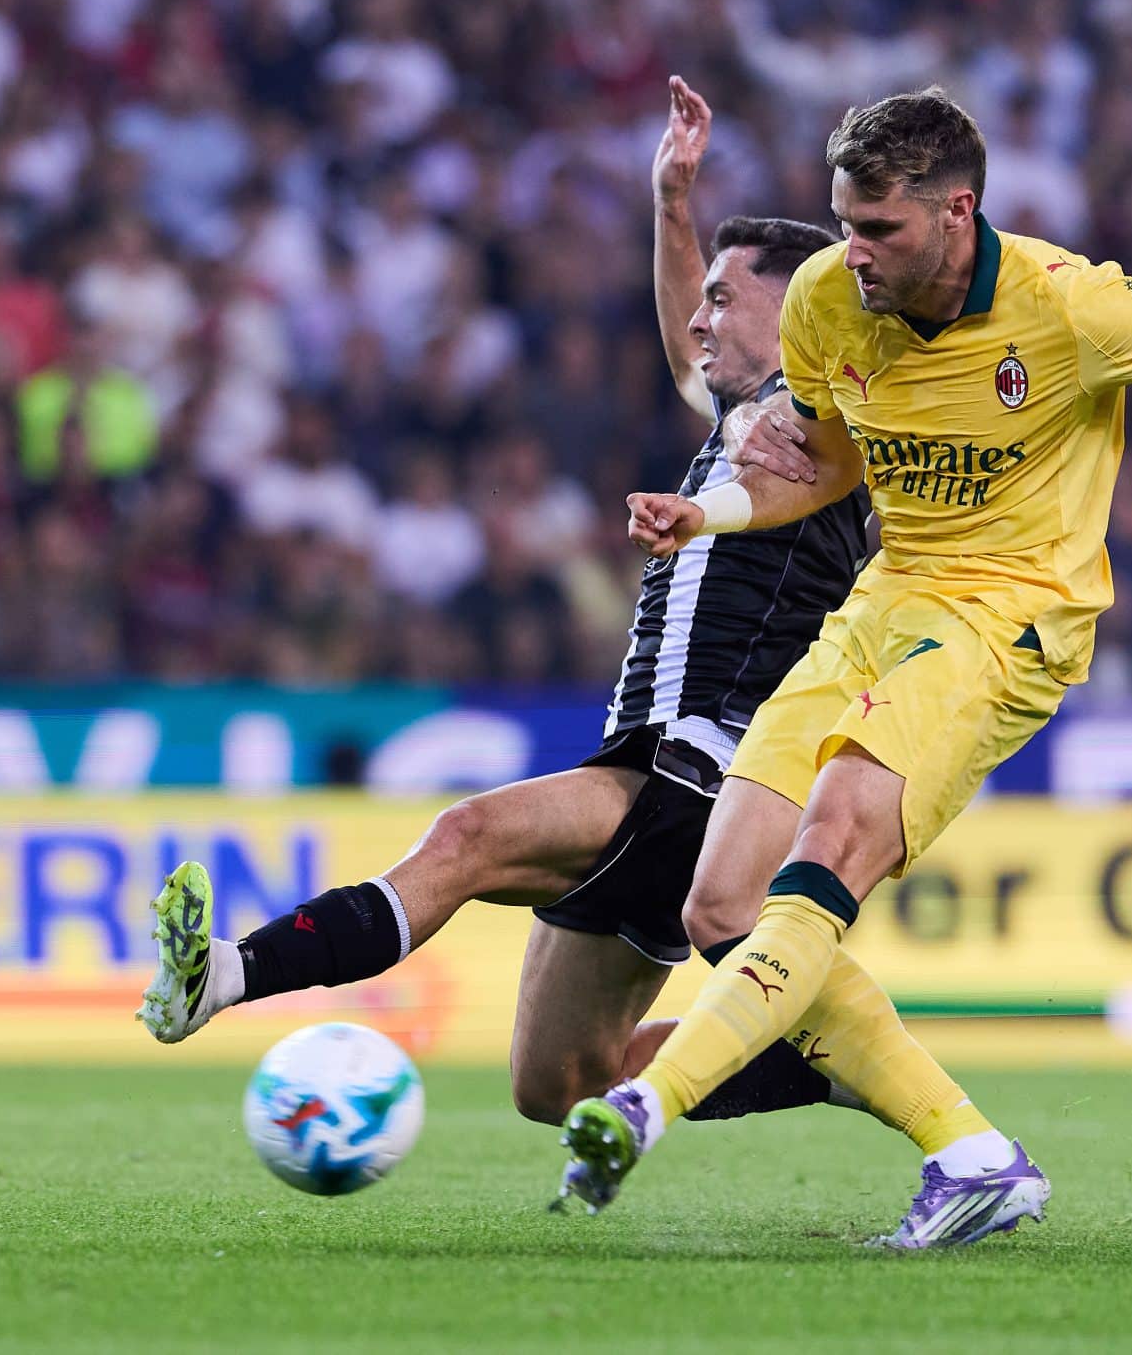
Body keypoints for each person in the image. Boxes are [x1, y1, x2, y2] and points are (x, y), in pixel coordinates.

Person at [558, 86, 1132, 1245]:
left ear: (957, 211)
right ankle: (973, 1157)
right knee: (721, 904)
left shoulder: (1068, 304)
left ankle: (645, 1104)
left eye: (878, 228)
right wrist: (717, 514)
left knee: (833, 836)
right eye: (843, 222)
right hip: (882, 605)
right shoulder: (826, 301)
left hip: (1007, 618)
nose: (853, 251)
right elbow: (827, 463)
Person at [138, 82, 990, 1169]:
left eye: (727, 298)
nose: (700, 317)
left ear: (800, 310)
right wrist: (670, 204)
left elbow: (883, 428)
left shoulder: (835, 428)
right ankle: (842, 1055)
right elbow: (691, 353)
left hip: (713, 767)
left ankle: (223, 977)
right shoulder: (743, 412)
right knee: (560, 1082)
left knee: (466, 838)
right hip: (646, 755)